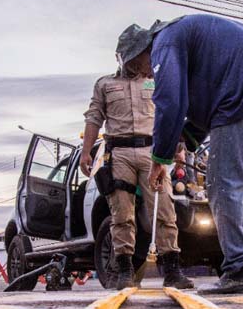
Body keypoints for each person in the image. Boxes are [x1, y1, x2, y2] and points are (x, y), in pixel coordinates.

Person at [115, 15, 243, 294]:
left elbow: (170, 102)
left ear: (144, 49)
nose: (145, 75)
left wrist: (160, 158)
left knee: (223, 183)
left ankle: (239, 269)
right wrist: (183, 139)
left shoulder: (164, 42)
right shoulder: (187, 37)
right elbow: (201, 101)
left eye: (138, 67)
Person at [80, 55, 194, 291]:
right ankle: (124, 270)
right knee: (121, 213)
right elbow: (94, 118)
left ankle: (172, 270)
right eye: (139, 56)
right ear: (123, 56)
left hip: (153, 153)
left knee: (164, 209)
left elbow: (169, 114)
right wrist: (85, 152)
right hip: (119, 153)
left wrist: (178, 148)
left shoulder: (156, 81)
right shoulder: (105, 84)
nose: (145, 62)